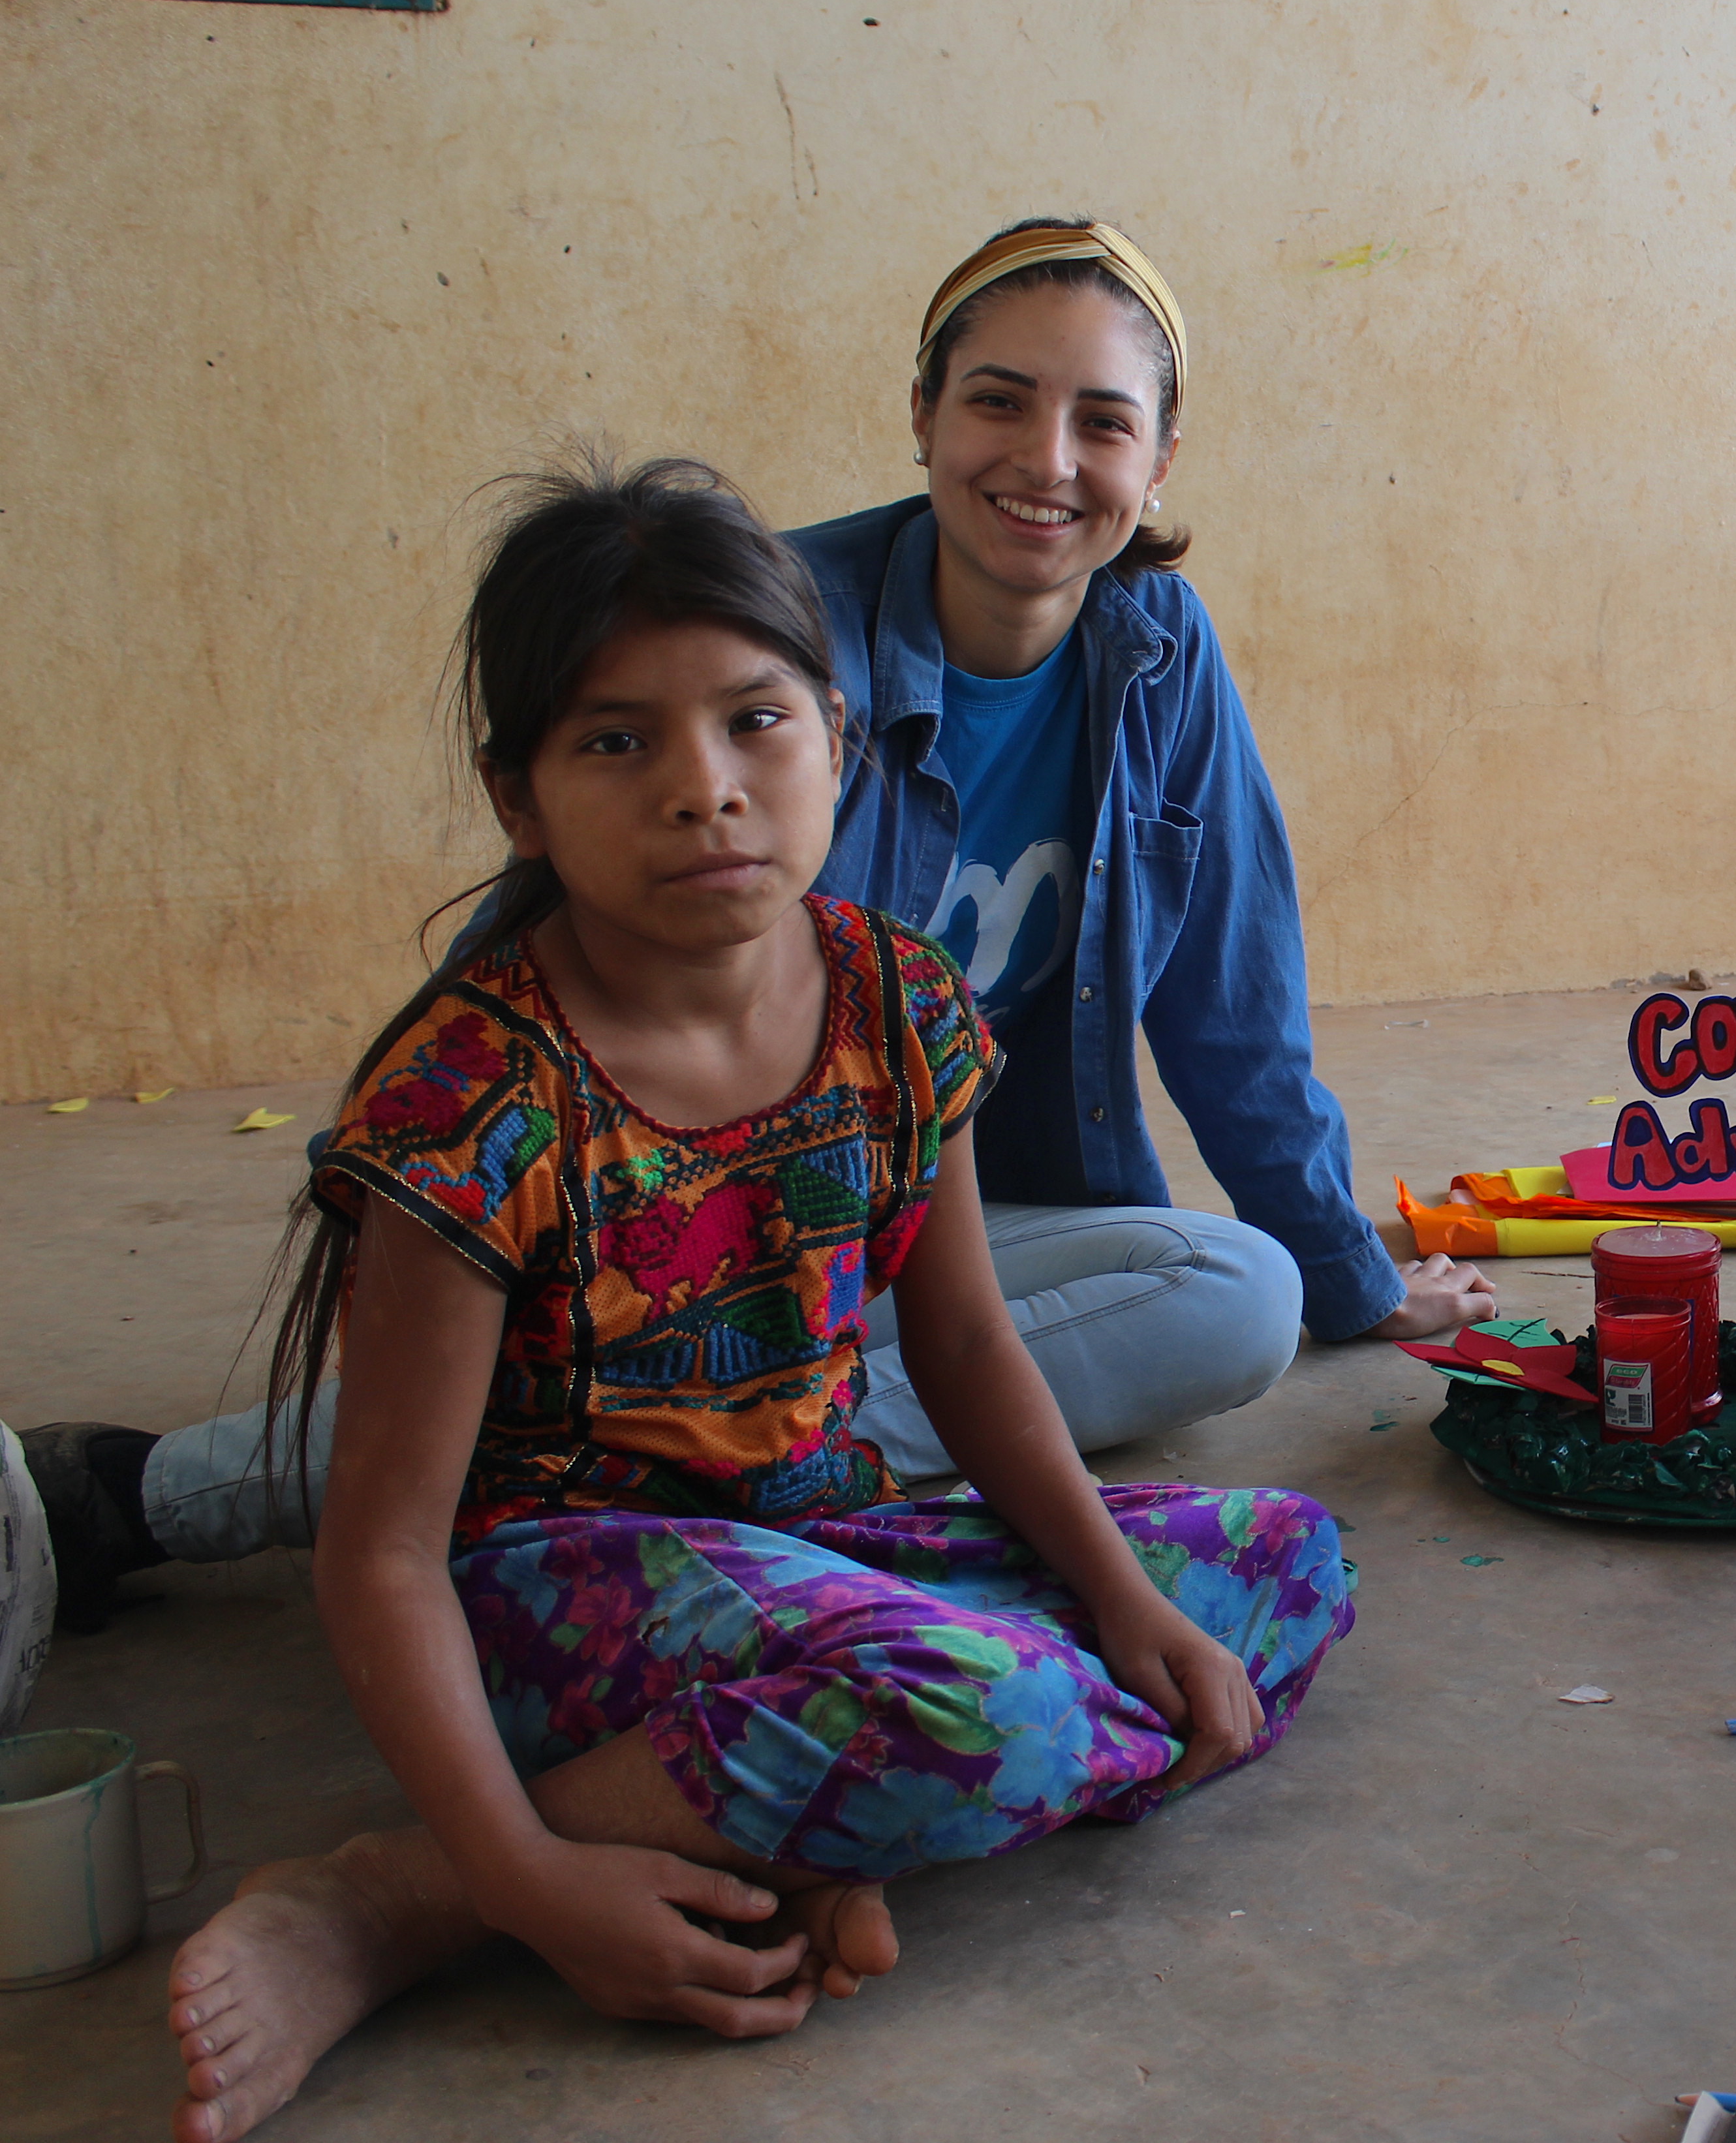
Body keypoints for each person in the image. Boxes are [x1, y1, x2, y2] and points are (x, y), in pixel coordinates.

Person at [29, 217, 1494, 1625]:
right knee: (597, 1362)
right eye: (998, 401)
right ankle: (155, 1496)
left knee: (1240, 1295)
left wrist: (1351, 1282)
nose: (1046, 463)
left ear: (1161, 458)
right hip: (651, 1216)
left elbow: (1236, 1006)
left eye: (1104, 423)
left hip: (905, 1231)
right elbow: (549, 973)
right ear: (921, 412)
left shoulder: (1160, 649)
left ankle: (683, 1473)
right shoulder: (772, 639)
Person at [163, 460, 1355, 2143]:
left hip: (823, 1542)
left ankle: (794, 1828)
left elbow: (957, 1345)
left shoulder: (890, 993)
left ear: (840, 740)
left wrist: (1119, 1592)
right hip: (564, 1594)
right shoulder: (473, 1095)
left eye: (756, 722)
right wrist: (514, 1877)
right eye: (617, 741)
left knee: (1278, 1574)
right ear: (520, 800)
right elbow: (381, 1553)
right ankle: (408, 1899)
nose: (703, 791)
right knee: (990, 1710)